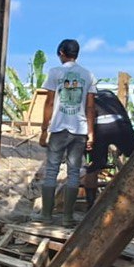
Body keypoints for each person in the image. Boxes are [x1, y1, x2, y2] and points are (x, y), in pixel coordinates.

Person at [38, 39, 96, 226]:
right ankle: (67, 217)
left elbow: (48, 103)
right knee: (73, 173)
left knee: (51, 171)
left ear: (62, 52)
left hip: (58, 129)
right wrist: (91, 133)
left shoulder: (55, 73)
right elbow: (90, 107)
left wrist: (43, 129)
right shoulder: (88, 75)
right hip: (79, 130)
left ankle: (46, 216)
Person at [80, 89, 134, 205]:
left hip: (98, 129)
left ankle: (90, 205)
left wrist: (87, 143)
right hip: (120, 125)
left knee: (92, 168)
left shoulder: (86, 98)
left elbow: (85, 120)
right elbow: (125, 116)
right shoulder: (110, 95)